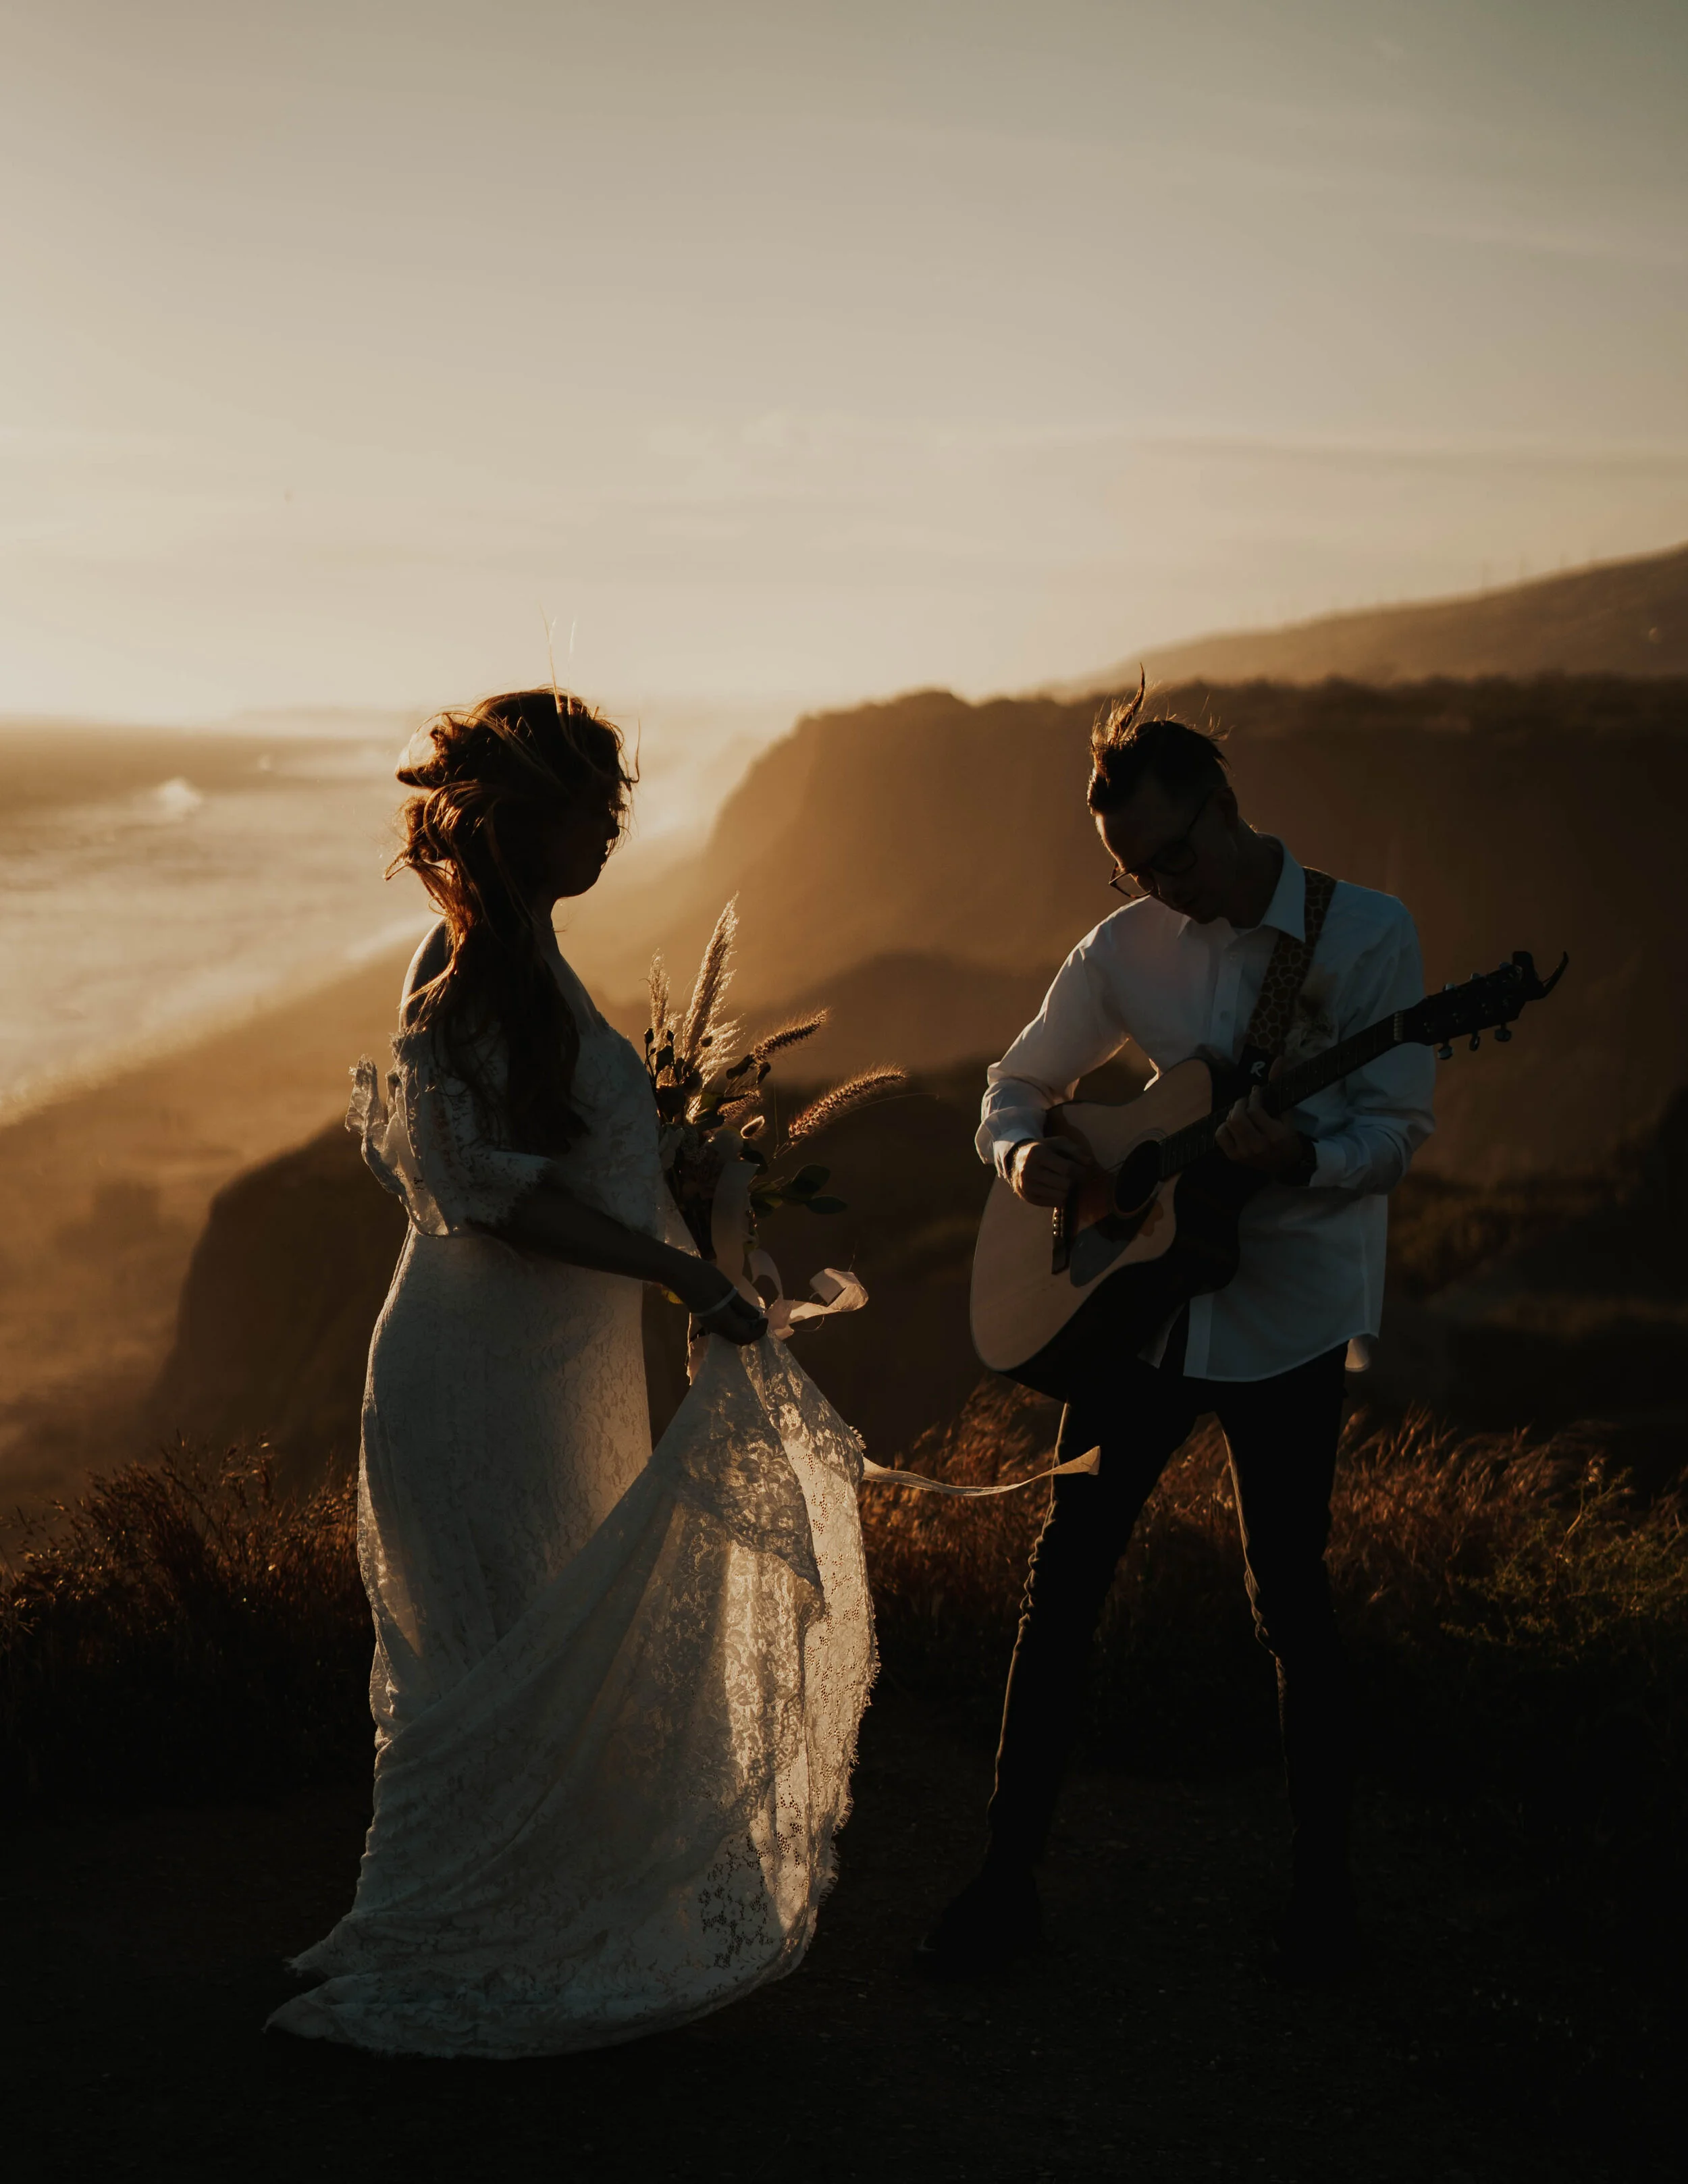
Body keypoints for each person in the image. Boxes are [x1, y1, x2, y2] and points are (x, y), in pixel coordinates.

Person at [268, 689, 874, 2057]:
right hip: (480, 1369)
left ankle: (473, 1910)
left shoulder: (527, 953)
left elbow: (560, 1166)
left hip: (553, 1366)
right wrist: (684, 1274)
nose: (611, 831)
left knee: (531, 1632)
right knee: (490, 1647)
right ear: (522, 821)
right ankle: (438, 1933)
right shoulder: (469, 972)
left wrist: (683, 1180)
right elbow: (490, 1200)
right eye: (591, 809)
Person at [918, 685, 1434, 1983]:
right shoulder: (1124, 947)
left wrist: (1302, 1148)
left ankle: (1326, 1902)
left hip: (1288, 1316)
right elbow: (1014, 1083)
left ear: (1226, 805)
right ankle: (1005, 1884)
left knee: (1291, 1600)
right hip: (1135, 1319)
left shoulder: (1369, 936)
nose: (1160, 884)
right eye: (1133, 868)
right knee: (1066, 1583)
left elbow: (1394, 1134)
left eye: (1176, 856)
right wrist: (1031, 1153)